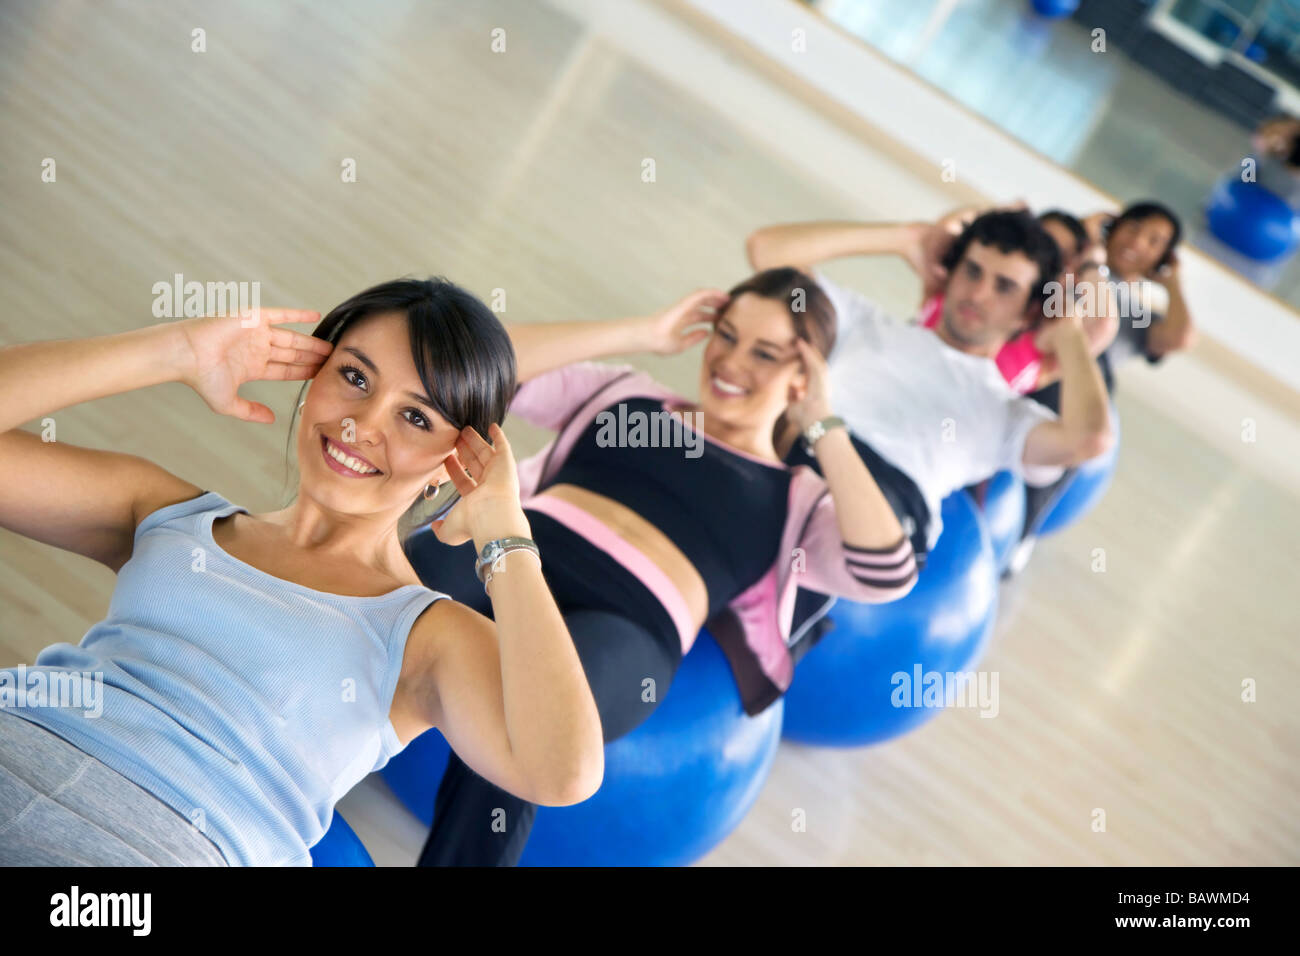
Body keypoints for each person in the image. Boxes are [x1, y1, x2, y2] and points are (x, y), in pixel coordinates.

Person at [0, 278, 605, 866]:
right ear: (314, 375)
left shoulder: (427, 636)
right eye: (355, 377)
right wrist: (174, 351)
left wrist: (504, 528)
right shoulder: (165, 513)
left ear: (456, 461)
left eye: (416, 418)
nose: (362, 425)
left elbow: (563, 772)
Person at [407, 267, 919, 866]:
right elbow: (481, 363)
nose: (731, 362)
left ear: (804, 376)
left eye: (765, 353)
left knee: (534, 724)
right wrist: (644, 331)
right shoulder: (626, 397)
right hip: (510, 551)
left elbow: (887, 570)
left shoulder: (799, 499)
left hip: (626, 623)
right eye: (726, 335)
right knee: (394, 595)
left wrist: (823, 421)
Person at [746, 209, 1113, 625]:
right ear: (949, 273)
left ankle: (760, 621)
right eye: (971, 271)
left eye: (1004, 287)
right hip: (797, 456)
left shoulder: (1005, 414)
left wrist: (1068, 332)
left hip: (879, 508)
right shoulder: (862, 321)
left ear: (1028, 312)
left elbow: (1090, 439)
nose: (978, 294)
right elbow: (766, 251)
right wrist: (903, 237)